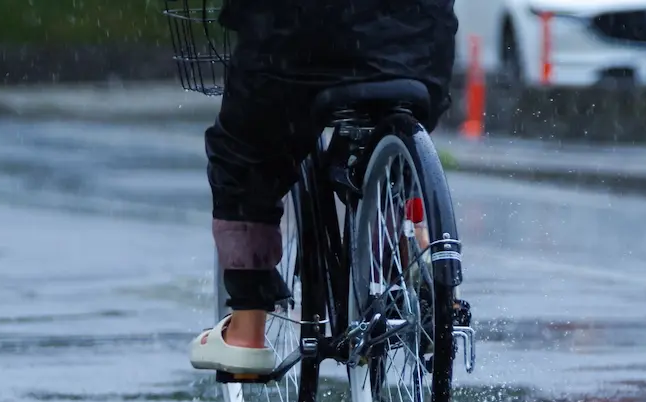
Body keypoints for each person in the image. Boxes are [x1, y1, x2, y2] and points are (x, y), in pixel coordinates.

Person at [188, 0, 459, 375]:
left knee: (244, 152)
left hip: (303, 38)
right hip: (422, 45)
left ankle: (247, 330)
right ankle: (408, 254)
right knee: (398, 128)